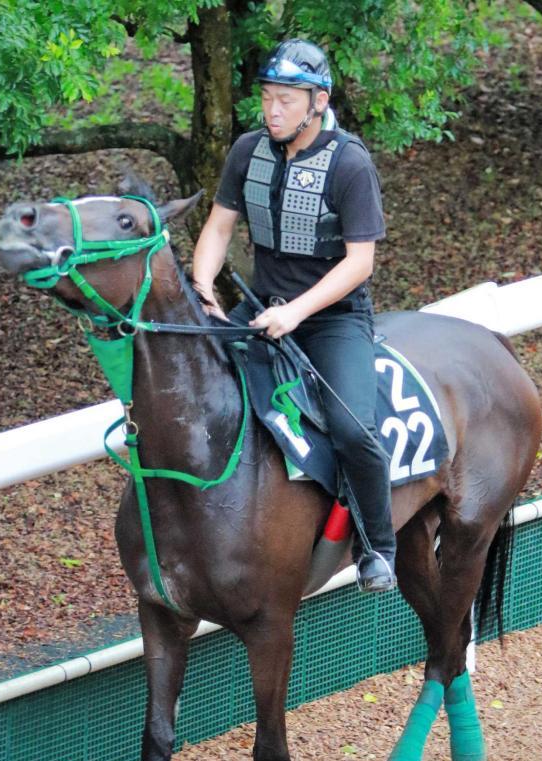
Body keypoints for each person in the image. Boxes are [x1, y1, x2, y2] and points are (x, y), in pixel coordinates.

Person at [192, 38, 396, 592]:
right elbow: (218, 226)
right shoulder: (247, 152)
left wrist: (299, 311)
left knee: (355, 431)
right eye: (267, 98)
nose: (273, 110)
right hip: (259, 311)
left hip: (333, 319)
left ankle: (377, 546)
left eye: (286, 100)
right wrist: (203, 285)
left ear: (318, 101)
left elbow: (361, 263)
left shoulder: (350, 163)